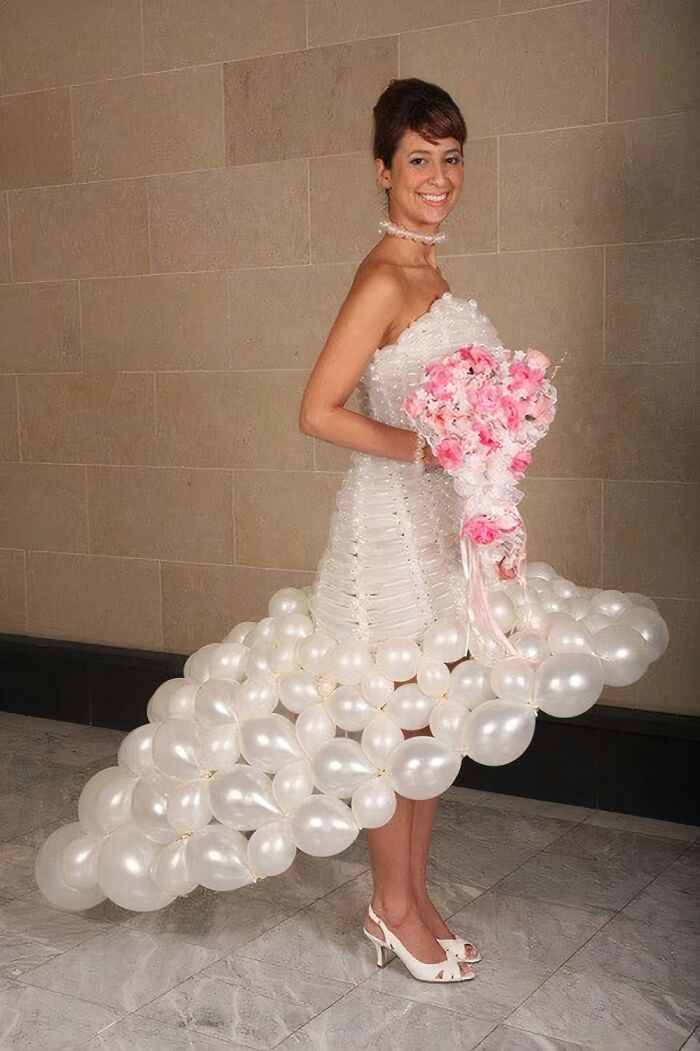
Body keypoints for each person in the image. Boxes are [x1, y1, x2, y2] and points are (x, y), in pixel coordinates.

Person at [299, 77, 483, 983]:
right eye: (419, 159)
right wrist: (427, 451)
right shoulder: (382, 274)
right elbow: (318, 411)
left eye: (450, 159)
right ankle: (393, 904)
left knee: (431, 720)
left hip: (437, 521)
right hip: (389, 528)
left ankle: (405, 894)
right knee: (392, 724)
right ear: (382, 170)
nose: (438, 177)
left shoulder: (430, 269)